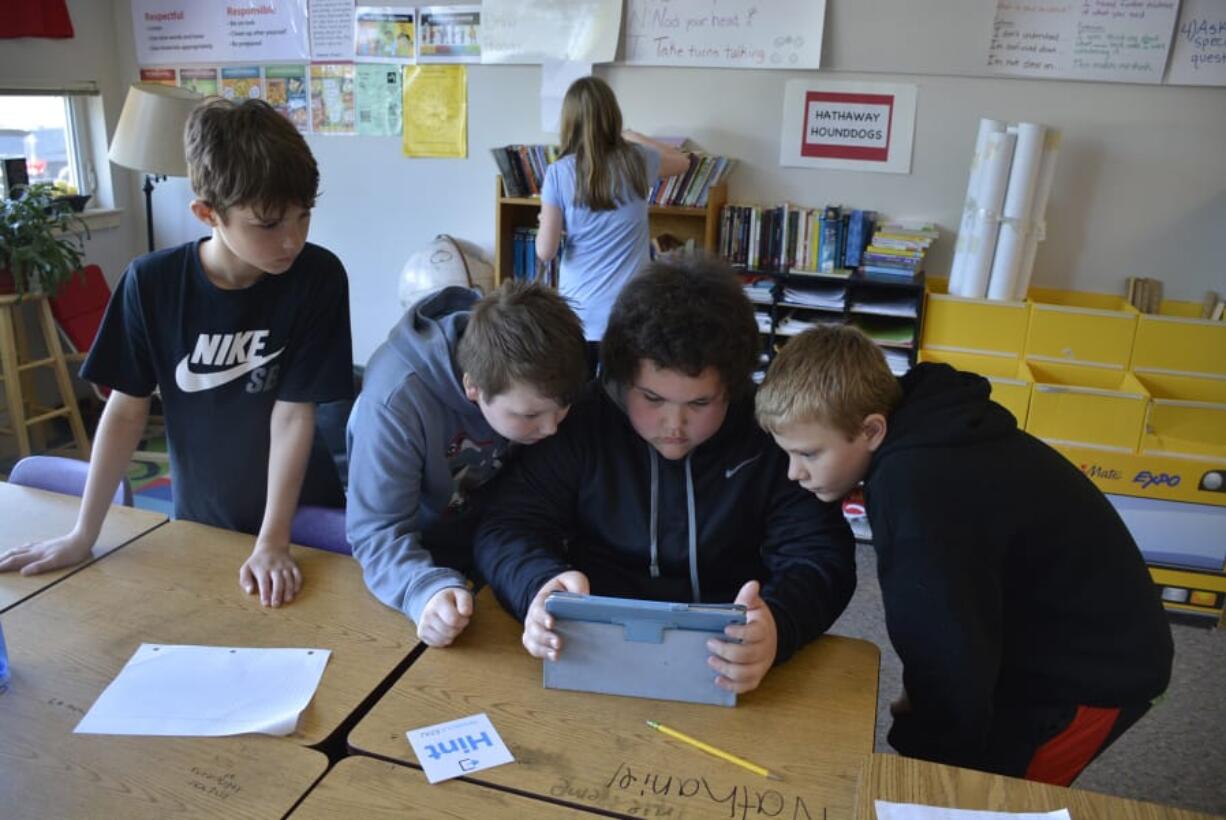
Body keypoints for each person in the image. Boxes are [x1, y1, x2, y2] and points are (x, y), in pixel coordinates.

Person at [755, 324, 1174, 785]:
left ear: (872, 430)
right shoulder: (925, 429)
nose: (795, 473)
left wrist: (928, 744)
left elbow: (944, 639)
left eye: (809, 454)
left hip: (1095, 670)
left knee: (999, 795)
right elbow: (950, 610)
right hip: (1029, 631)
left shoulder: (914, 484)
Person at [0, 98, 353, 609]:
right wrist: (83, 534)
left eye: (304, 217)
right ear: (207, 212)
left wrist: (273, 540)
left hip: (301, 515)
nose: (293, 240)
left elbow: (293, 414)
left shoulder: (318, 277)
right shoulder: (151, 283)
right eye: (269, 224)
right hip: (201, 508)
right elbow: (125, 410)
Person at [474, 257, 856, 695]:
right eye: (652, 398)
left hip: (727, 654)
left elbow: (820, 553)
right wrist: (537, 585)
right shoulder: (582, 421)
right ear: (620, 380)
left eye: (699, 404)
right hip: (590, 645)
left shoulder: (765, 431)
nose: (673, 425)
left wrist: (779, 624)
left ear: (732, 389)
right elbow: (507, 526)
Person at [346, 282, 586, 648]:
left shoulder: (538, 371)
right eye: (530, 415)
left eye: (563, 407)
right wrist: (423, 589)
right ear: (472, 386)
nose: (552, 428)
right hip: (423, 565)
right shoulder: (396, 400)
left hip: (500, 558)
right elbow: (377, 532)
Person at [535, 76, 690, 370]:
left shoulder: (559, 173)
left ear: (569, 122)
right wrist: (632, 135)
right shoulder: (638, 160)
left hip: (580, 313)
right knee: (623, 400)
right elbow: (681, 161)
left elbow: (546, 251)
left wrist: (547, 222)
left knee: (580, 401)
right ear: (613, 116)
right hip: (631, 312)